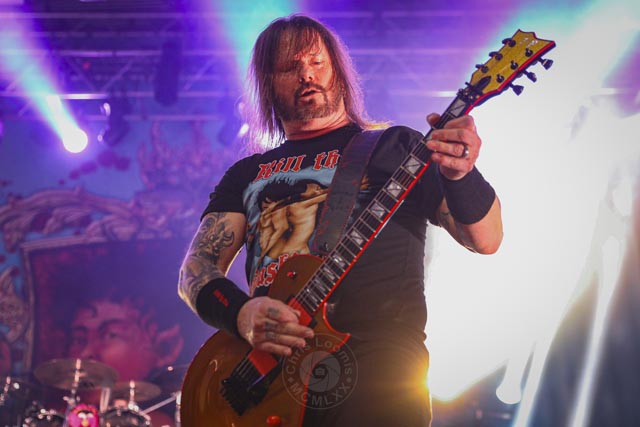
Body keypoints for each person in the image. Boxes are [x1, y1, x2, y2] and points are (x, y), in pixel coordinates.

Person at [178, 14, 503, 427]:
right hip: (269, 380)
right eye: (289, 67)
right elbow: (195, 271)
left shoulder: (395, 146)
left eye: (317, 62)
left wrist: (460, 175)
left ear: (338, 72)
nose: (306, 75)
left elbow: (486, 238)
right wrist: (241, 314)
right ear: (268, 84)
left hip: (378, 371)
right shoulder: (248, 173)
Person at [65, 294, 184, 427]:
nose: (86, 353)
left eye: (110, 335)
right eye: (79, 339)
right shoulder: (75, 417)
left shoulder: (157, 422)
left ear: (166, 347)